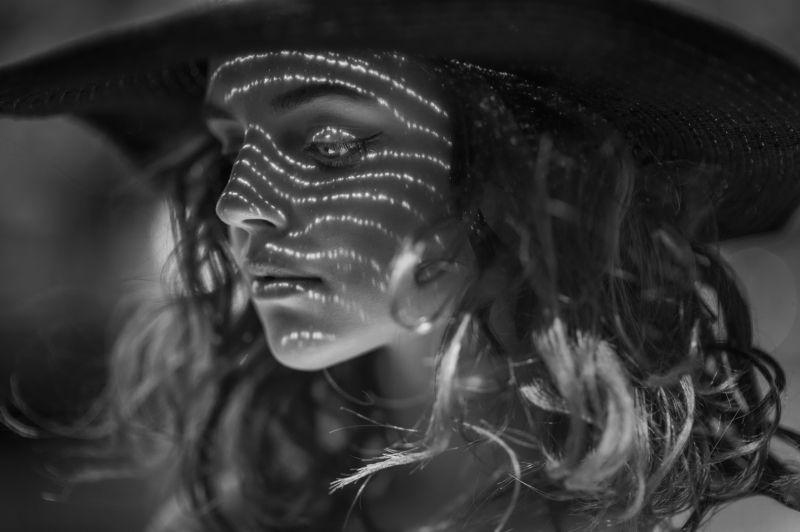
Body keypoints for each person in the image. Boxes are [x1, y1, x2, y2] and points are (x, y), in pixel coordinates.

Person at [2, 1, 800, 531]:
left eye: (328, 143)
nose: (237, 202)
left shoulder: (709, 522)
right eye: (232, 148)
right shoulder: (250, 502)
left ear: (511, 171)